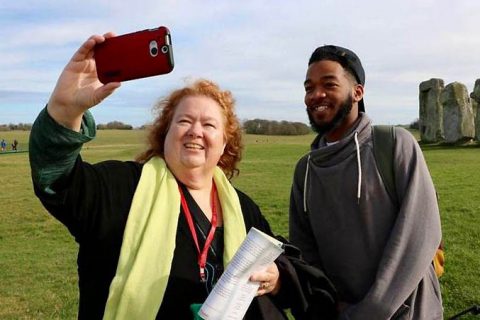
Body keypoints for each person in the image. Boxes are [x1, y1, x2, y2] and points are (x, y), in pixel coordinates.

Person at [29, 33, 298, 320]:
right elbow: (57, 180)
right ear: (165, 134)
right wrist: (64, 111)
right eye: (184, 121)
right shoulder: (122, 188)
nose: (195, 131)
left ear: (224, 145)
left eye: (209, 125)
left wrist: (276, 277)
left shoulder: (244, 210)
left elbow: (287, 273)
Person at [289, 45, 443, 319]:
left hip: (408, 312)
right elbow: (305, 253)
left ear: (358, 92)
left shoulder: (393, 144)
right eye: (309, 87)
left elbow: (419, 235)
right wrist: (328, 305)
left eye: (329, 84)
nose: (316, 95)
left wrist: (369, 312)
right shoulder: (305, 170)